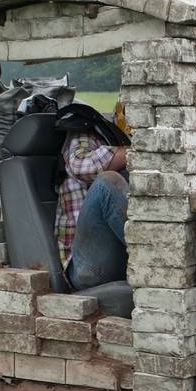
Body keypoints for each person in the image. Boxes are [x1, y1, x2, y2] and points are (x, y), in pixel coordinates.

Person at [55, 122, 129, 290]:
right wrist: (137, 152)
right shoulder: (85, 133)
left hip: (118, 257)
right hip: (86, 268)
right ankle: (154, 256)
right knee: (106, 184)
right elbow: (81, 166)